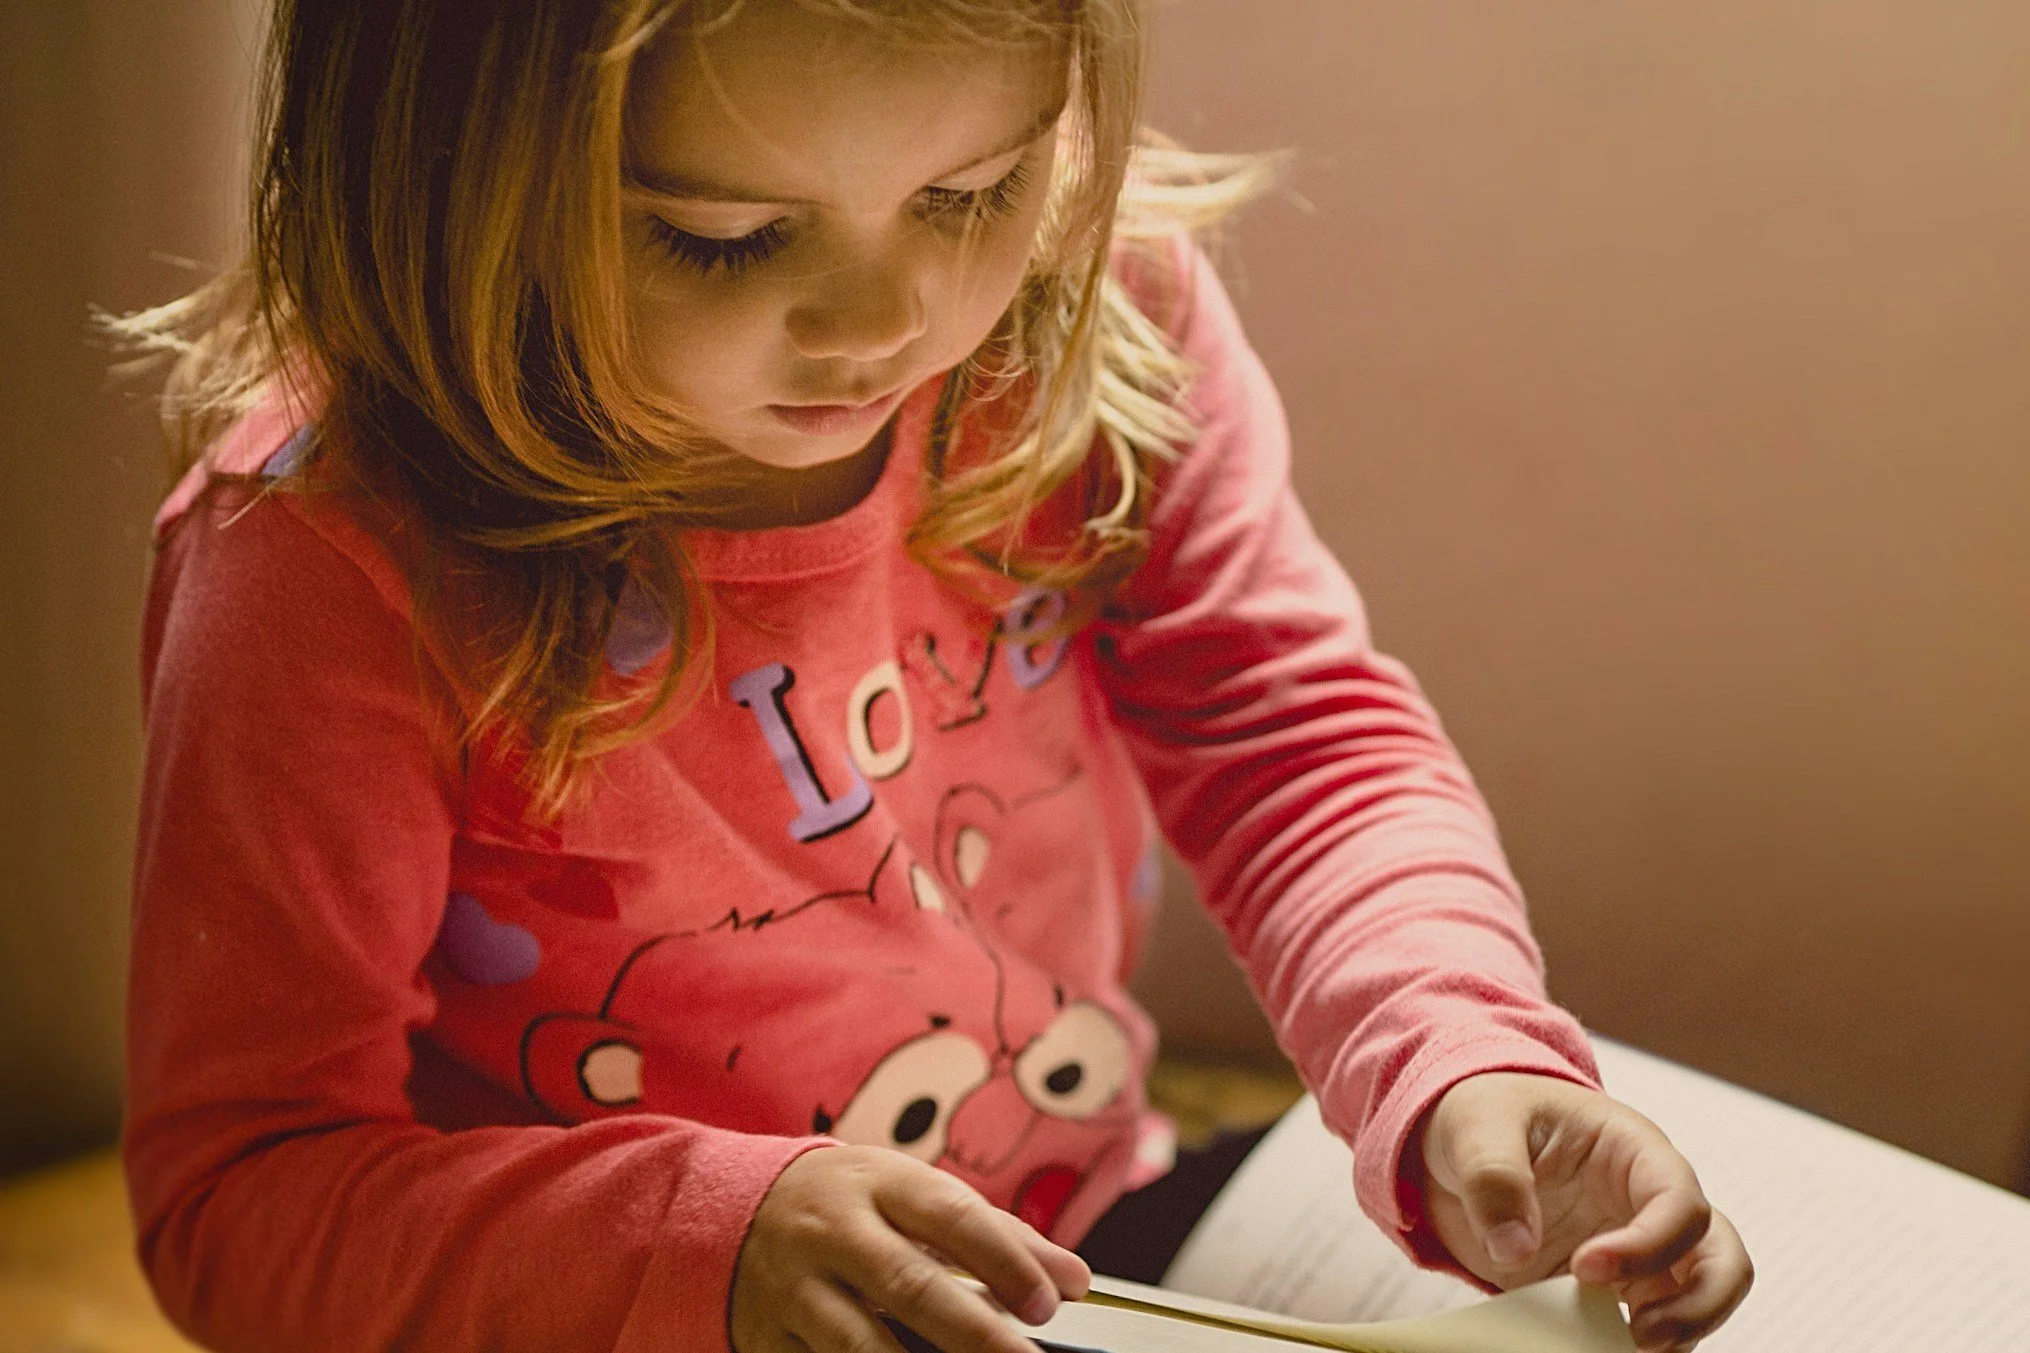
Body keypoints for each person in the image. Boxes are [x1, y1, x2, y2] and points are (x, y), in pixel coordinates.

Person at [112, 2, 1752, 1352]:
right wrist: (701, 1250)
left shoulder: (1085, 323)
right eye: (723, 238)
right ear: (429, 177)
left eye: (970, 193)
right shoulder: (325, 566)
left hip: (1085, 1244)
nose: (884, 321)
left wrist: (1453, 1045)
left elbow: (1293, 739)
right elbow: (245, 1193)